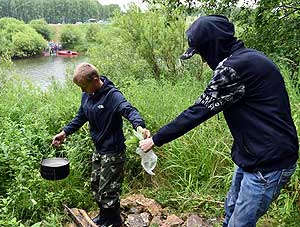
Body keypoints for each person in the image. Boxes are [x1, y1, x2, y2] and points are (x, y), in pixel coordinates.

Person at [139, 15, 298, 227]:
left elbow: (198, 111)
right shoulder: (249, 58)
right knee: (230, 210)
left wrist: (156, 139)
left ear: (213, 46)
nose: (203, 60)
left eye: (202, 52)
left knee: (239, 223)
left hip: (268, 163)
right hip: (251, 155)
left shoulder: (234, 69)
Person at [52, 63, 150, 227]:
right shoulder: (88, 95)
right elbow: (80, 116)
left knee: (108, 190)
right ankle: (105, 216)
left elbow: (128, 109)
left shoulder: (112, 96)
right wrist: (64, 132)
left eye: (83, 86)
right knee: (96, 185)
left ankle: (114, 220)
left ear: (95, 79)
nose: (82, 91)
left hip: (113, 150)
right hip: (99, 148)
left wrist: (139, 125)